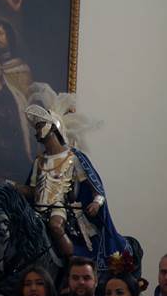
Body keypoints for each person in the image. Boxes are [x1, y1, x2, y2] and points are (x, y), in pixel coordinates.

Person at [20, 84, 129, 270]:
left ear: (53, 126)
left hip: (60, 209)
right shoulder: (39, 161)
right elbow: (32, 190)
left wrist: (97, 202)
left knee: (55, 227)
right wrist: (10, 187)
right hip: (37, 209)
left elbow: (97, 189)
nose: (36, 131)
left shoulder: (74, 158)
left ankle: (72, 267)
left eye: (40, 126)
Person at [0, 19, 33, 165]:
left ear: (10, 36)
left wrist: (0, 87)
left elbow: (23, 107)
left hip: (12, 142)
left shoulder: (22, 70)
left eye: (0, 33)